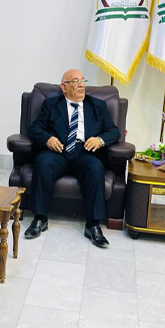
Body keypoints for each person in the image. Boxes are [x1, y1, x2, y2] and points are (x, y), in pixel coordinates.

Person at [24, 68, 121, 248]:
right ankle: (39, 218)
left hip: (85, 151)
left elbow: (114, 131)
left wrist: (100, 140)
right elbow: (34, 129)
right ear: (64, 87)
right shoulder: (51, 105)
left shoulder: (97, 106)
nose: (81, 85)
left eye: (83, 81)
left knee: (94, 167)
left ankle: (93, 225)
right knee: (43, 163)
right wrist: (48, 139)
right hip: (57, 151)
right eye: (76, 81)